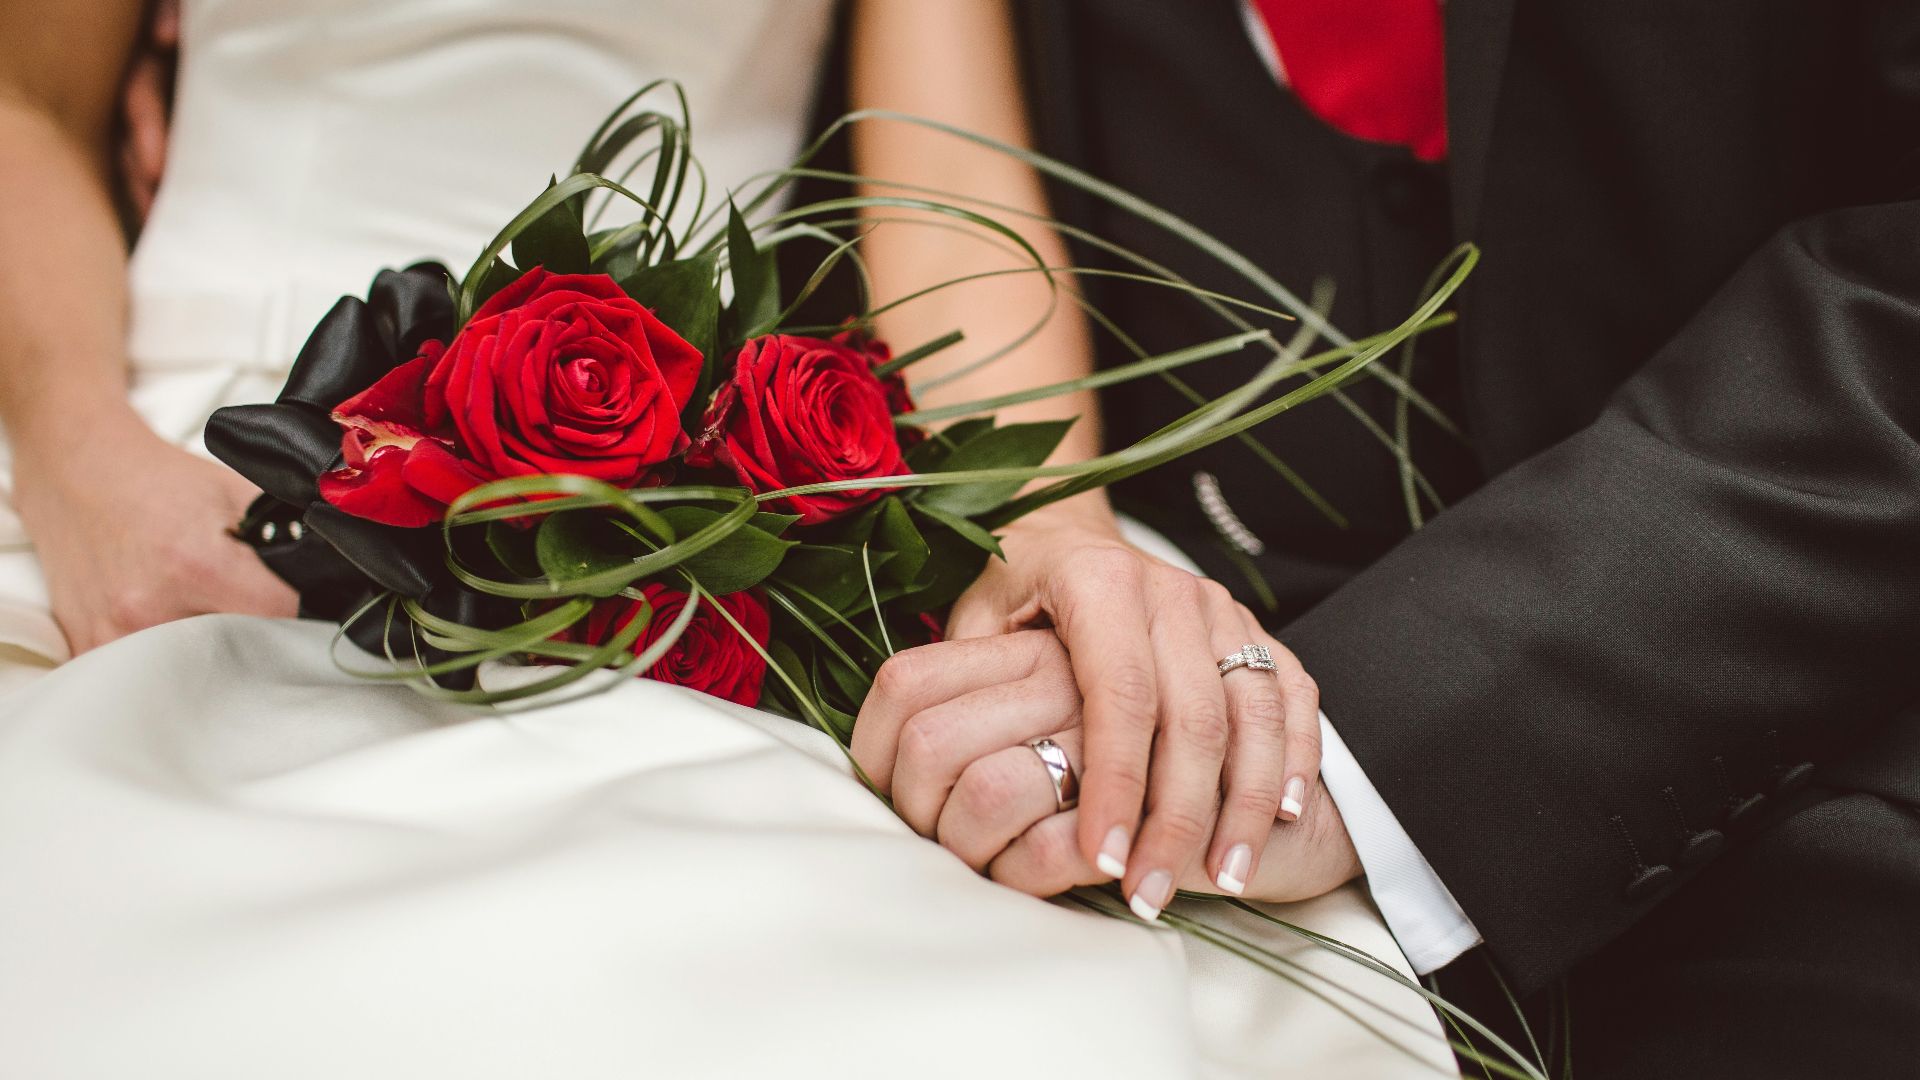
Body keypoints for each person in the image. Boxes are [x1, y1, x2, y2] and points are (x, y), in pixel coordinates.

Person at [0, 1, 1424, 1076]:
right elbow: (27, 103)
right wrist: (81, 467)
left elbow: (947, 179)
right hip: (185, 445)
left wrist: (1053, 528)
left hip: (696, 529)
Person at [848, 2, 1920, 1077]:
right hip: (1121, 657)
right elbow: (949, 154)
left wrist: (1364, 762)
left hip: (1814, 737)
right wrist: (1052, 527)